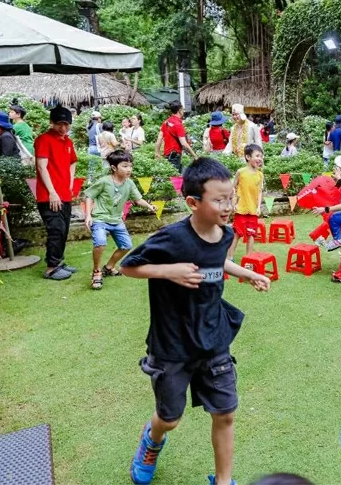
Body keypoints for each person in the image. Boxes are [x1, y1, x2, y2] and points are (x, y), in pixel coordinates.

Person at [121, 157, 270, 485]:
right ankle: (152, 440)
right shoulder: (173, 238)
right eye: (219, 200)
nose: (228, 205)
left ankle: (223, 480)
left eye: (230, 197)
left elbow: (219, 262)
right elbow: (128, 266)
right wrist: (167, 271)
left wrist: (247, 273)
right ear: (193, 202)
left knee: (226, 413)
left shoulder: (225, 233)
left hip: (214, 338)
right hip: (172, 344)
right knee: (169, 418)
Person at [84, 150, 157, 290]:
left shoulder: (129, 183)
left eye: (130, 166)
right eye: (124, 166)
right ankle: (96, 271)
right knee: (100, 243)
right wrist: (88, 215)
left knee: (126, 245)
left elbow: (138, 199)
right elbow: (89, 195)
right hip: (100, 218)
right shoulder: (104, 181)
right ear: (113, 168)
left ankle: (109, 267)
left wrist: (149, 206)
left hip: (117, 220)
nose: (129, 169)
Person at [35, 106, 79, 280]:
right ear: (52, 122)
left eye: (66, 124)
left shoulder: (68, 141)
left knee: (64, 229)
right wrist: (52, 192)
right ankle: (51, 267)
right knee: (56, 230)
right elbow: (41, 166)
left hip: (64, 193)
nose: (63, 128)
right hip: (49, 196)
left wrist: (69, 182)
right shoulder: (43, 140)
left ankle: (58, 261)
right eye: (60, 124)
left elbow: (72, 162)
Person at [229, 144, 264, 258]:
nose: (260, 158)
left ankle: (249, 258)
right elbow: (233, 188)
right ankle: (230, 257)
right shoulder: (241, 172)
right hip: (241, 209)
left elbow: (259, 192)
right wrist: (233, 203)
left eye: (261, 156)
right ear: (248, 157)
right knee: (237, 234)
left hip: (253, 210)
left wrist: (258, 207)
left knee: (251, 234)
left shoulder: (260, 175)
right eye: (257, 155)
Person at [156, 100, 197, 172]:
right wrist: (195, 156)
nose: (183, 111)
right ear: (180, 110)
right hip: (175, 156)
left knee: (169, 177)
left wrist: (157, 152)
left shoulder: (166, 122)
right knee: (175, 179)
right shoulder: (178, 124)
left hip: (167, 154)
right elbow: (184, 143)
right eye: (183, 109)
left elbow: (159, 138)